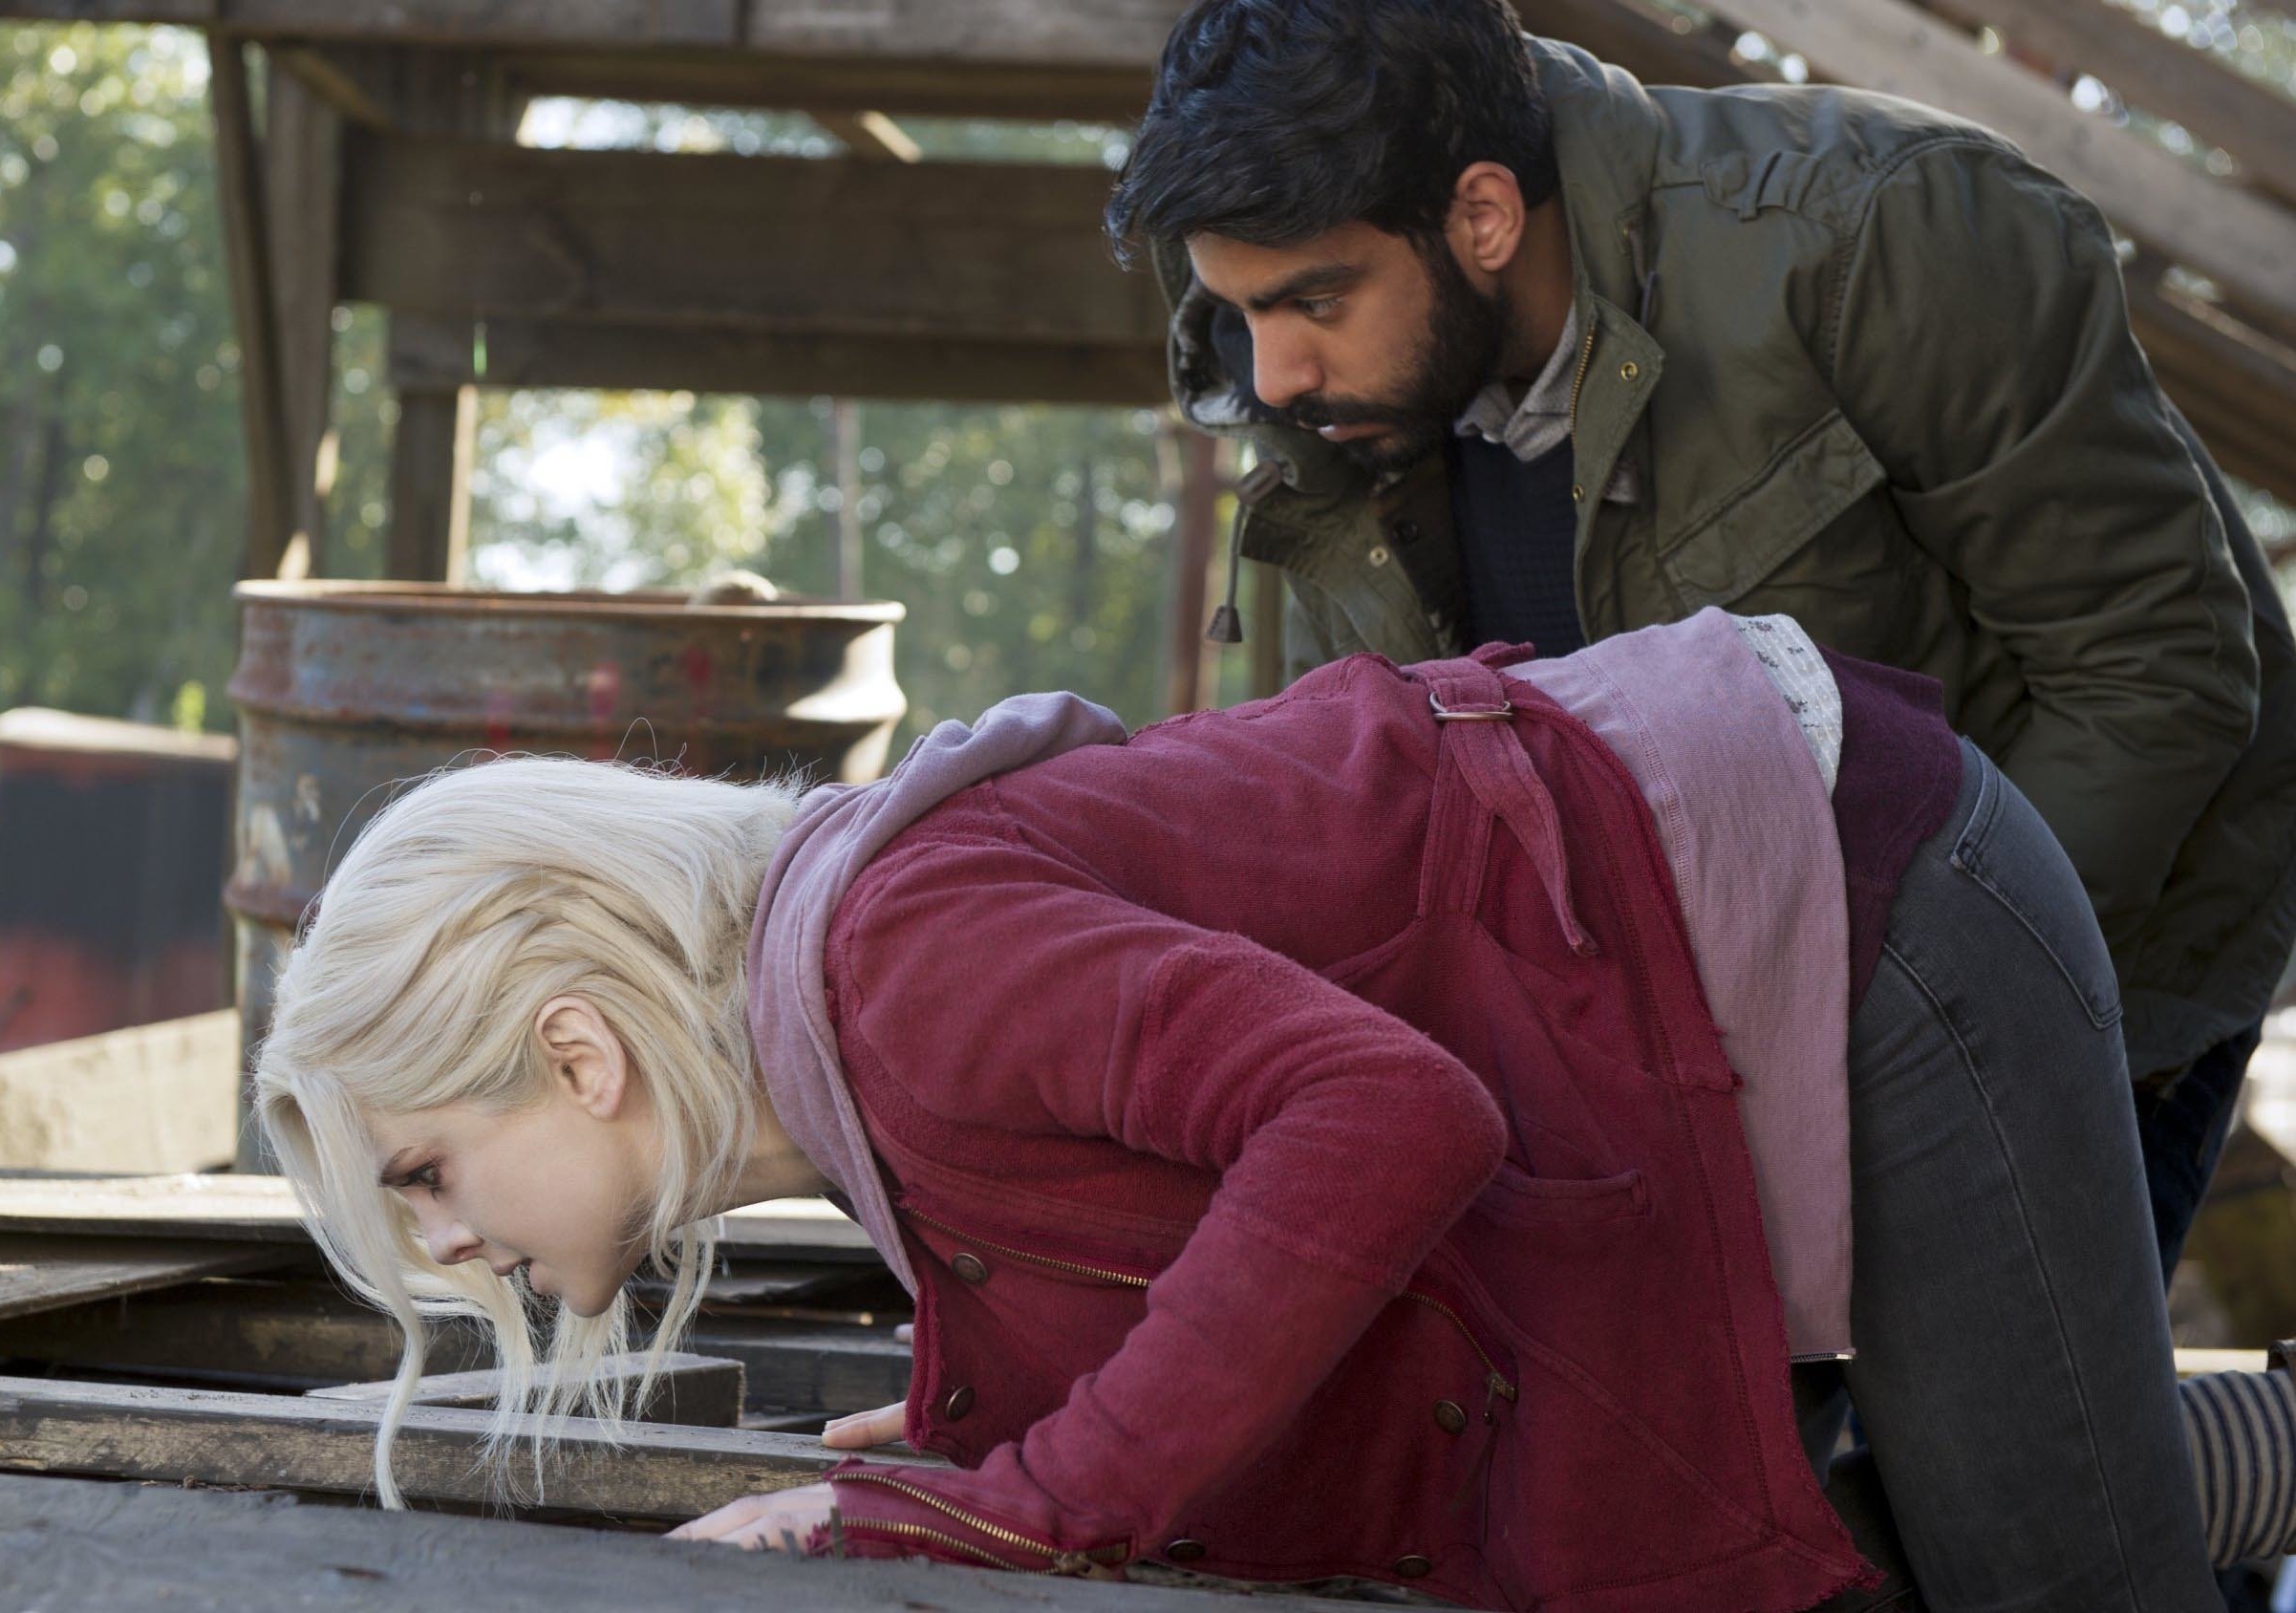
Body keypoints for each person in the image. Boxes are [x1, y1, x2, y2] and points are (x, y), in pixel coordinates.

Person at [254, 613, 2296, 1613]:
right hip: (1690, 989)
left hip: (1871, 905)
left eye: (425, 1172)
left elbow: (1383, 1115)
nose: (445, 1244)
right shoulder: (840, 1029)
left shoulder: (898, 962)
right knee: (1926, 1514)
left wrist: (1029, 1494)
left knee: (2056, 1590)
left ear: (579, 1052)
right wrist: (1014, 1415)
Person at [1104, 0, 2296, 1281]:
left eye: (1314, 301)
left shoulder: (1883, 235)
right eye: (1241, 311)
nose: (1273, 373)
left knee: (1985, 1407)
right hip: (1704, 1039)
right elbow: (1355, 794)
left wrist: (1862, 1052)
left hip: (2090, 934)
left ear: (1484, 217)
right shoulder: (1329, 386)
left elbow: (2151, 674)